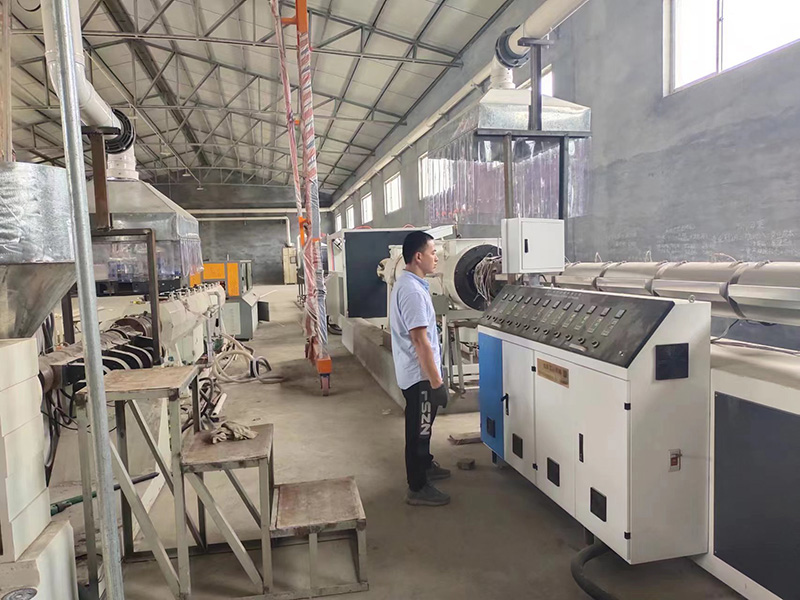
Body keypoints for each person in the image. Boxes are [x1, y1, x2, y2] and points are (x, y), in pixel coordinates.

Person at [390, 231, 451, 507]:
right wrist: (436, 383)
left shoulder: (412, 284)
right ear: (418, 256)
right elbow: (419, 340)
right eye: (433, 252)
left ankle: (425, 464)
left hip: (419, 373)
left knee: (423, 426)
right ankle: (417, 486)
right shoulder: (412, 292)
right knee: (419, 429)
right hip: (420, 377)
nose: (436, 257)